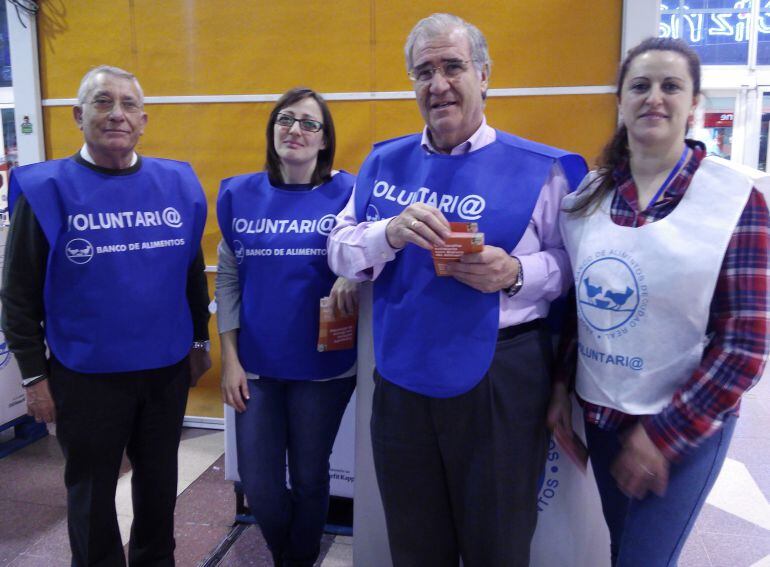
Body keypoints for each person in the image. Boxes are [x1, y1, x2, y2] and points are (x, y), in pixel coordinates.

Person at [327, 13, 586, 567]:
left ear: (485, 74)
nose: (438, 84)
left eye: (452, 67)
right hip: (400, 377)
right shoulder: (382, 161)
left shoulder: (542, 169)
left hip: (502, 377)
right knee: (415, 541)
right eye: (424, 71)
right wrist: (387, 234)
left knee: (498, 541)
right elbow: (339, 248)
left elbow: (577, 267)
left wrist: (516, 273)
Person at [550, 37, 770, 566]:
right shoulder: (587, 198)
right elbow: (578, 312)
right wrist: (559, 386)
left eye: (671, 86)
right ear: (620, 101)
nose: (655, 97)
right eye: (640, 86)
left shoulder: (736, 201)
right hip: (603, 415)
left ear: (693, 103)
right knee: (622, 550)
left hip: (686, 426)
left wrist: (659, 434)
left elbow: (746, 344)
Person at [1, 65, 211, 566]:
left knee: (159, 487)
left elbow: (190, 274)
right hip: (85, 376)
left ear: (143, 120)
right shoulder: (46, 190)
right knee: (92, 496)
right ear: (78, 115)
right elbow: (18, 296)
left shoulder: (178, 184)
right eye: (102, 101)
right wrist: (34, 376)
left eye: (128, 104)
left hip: (163, 372)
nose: (116, 113)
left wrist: (200, 342)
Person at [216, 87, 357, 567]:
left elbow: (371, 253)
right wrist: (229, 360)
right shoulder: (237, 194)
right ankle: (291, 558)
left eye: (309, 123)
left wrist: (350, 269)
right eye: (285, 119)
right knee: (260, 483)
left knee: (312, 477)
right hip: (256, 367)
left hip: (325, 369)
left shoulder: (349, 194)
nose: (295, 130)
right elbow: (229, 281)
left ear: (324, 139)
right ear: (273, 129)